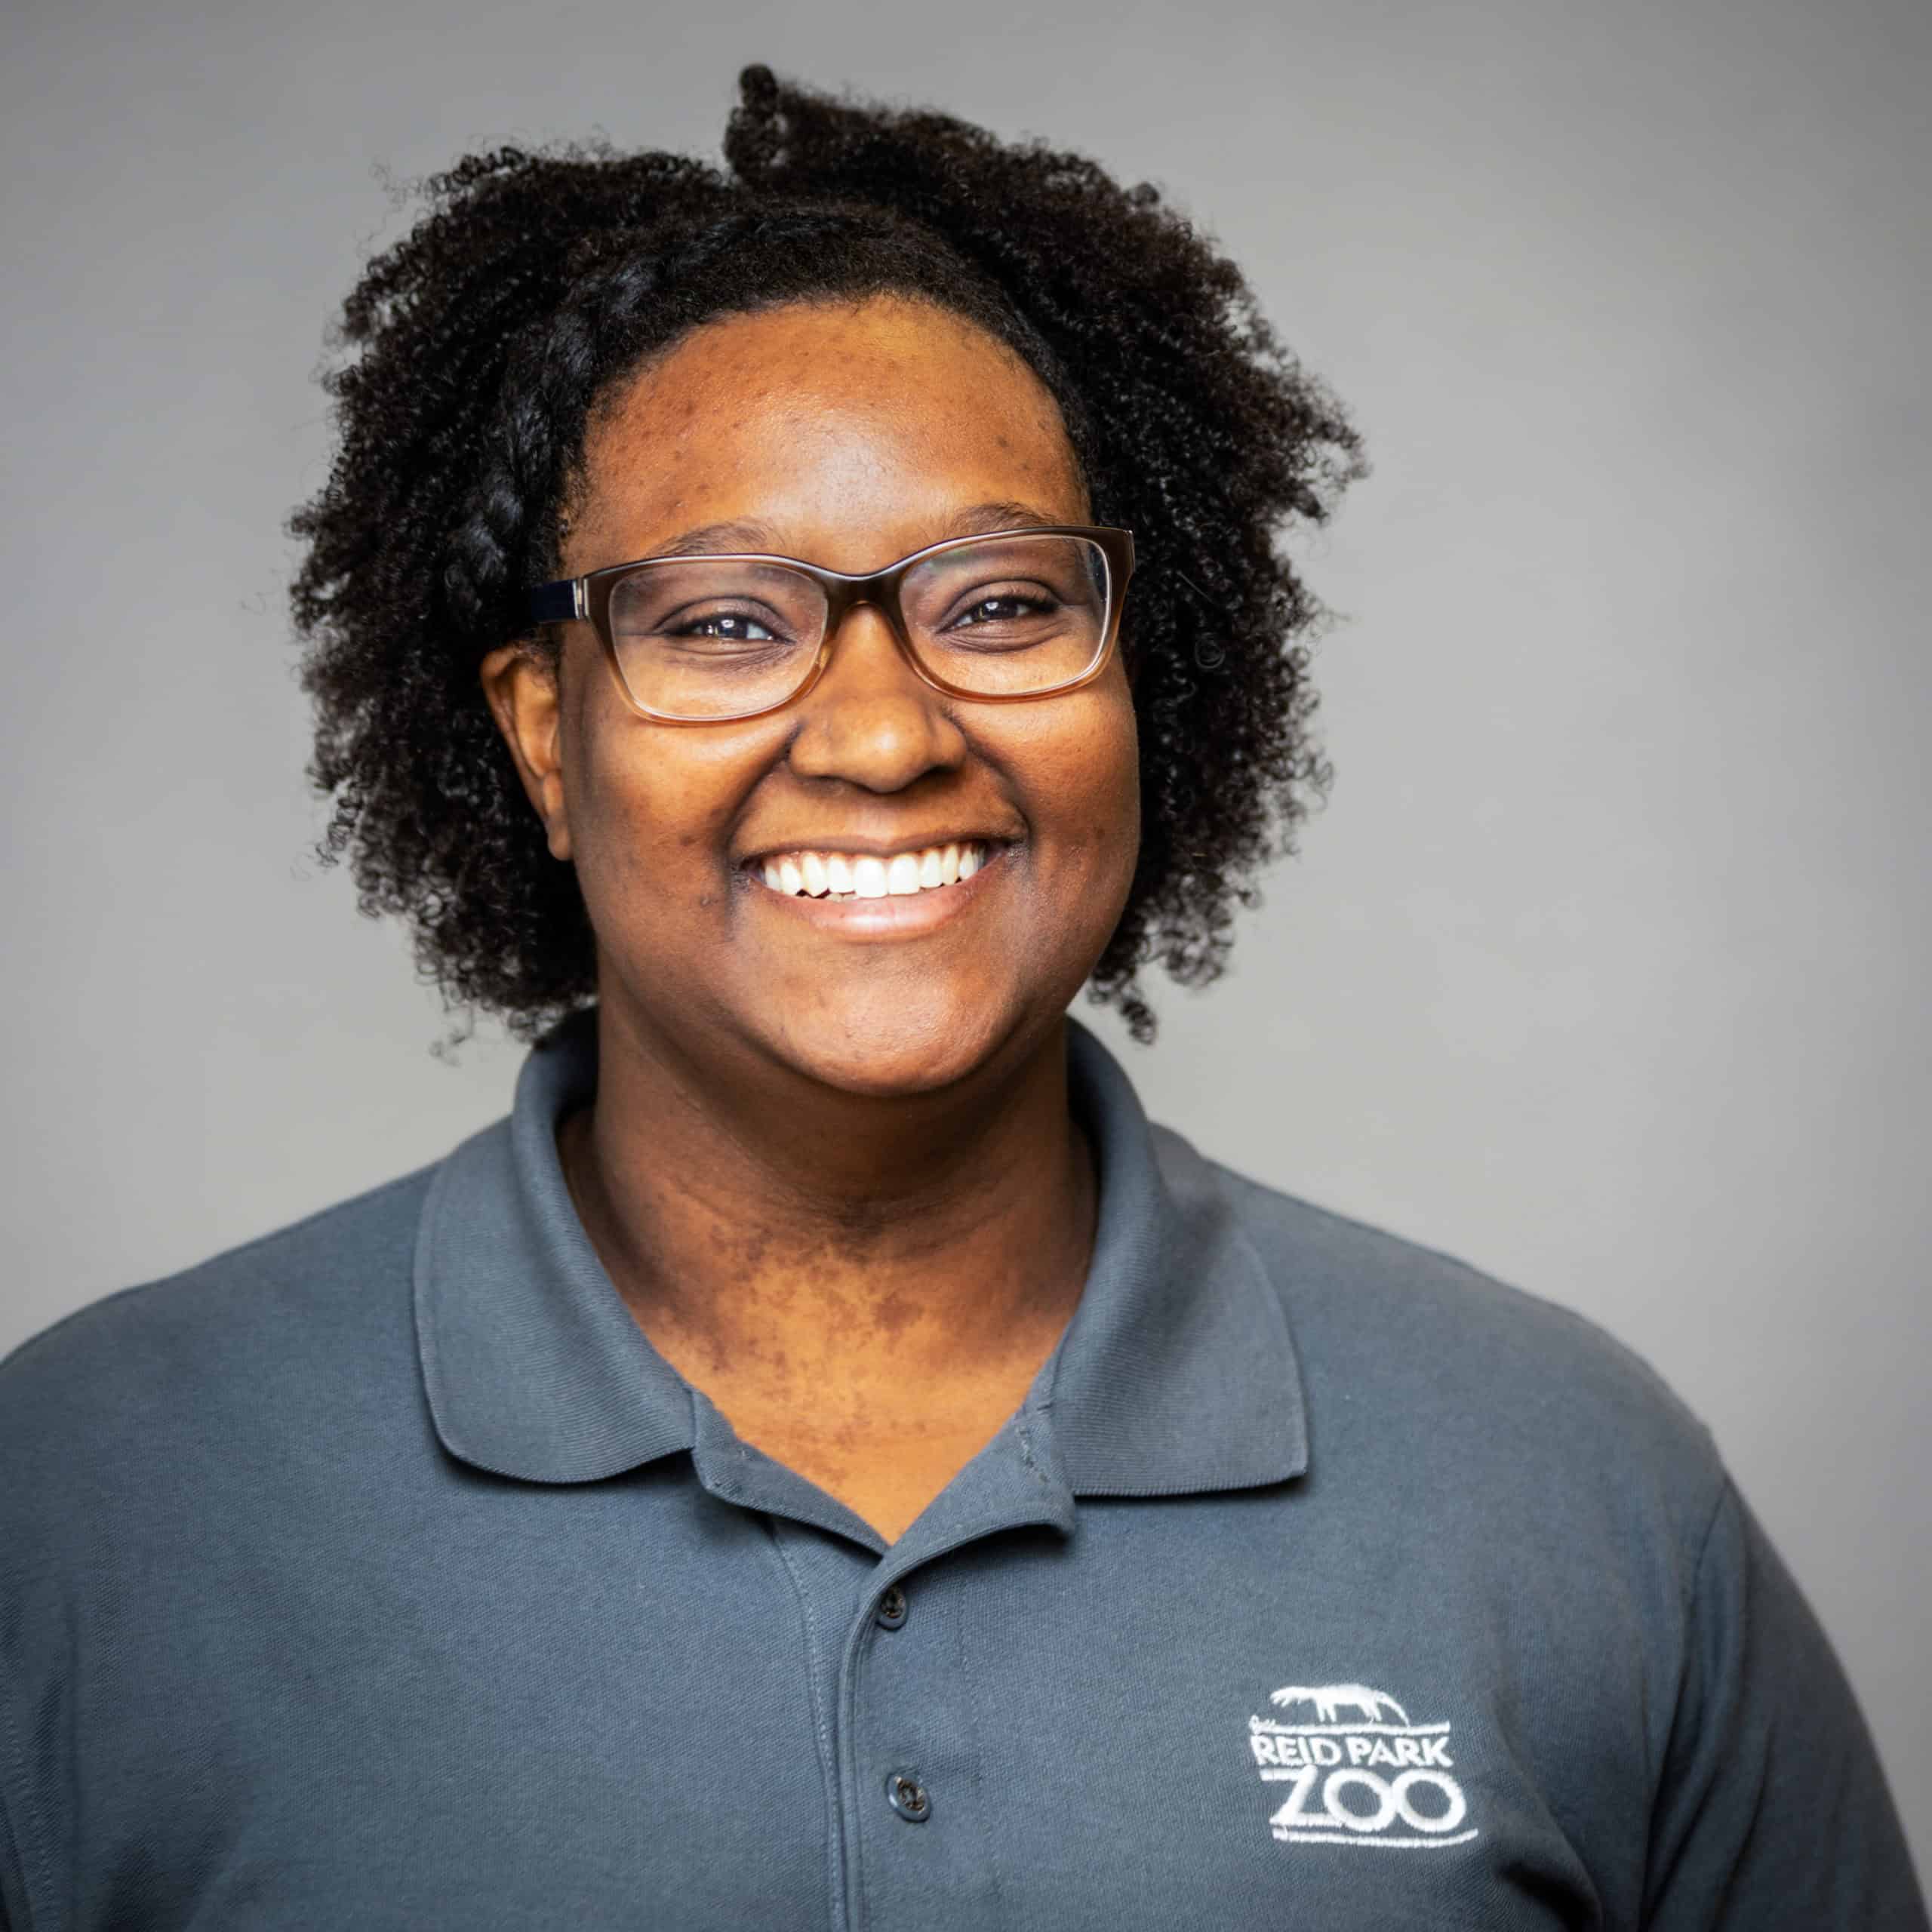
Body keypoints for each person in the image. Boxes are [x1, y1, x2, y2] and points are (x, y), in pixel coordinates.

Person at [0, 66, 1920, 1932]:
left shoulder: (1566, 1481)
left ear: (1135, 673)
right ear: (542, 738)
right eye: (723, 620)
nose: (882, 731)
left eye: (997, 602)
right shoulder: (87, 1502)